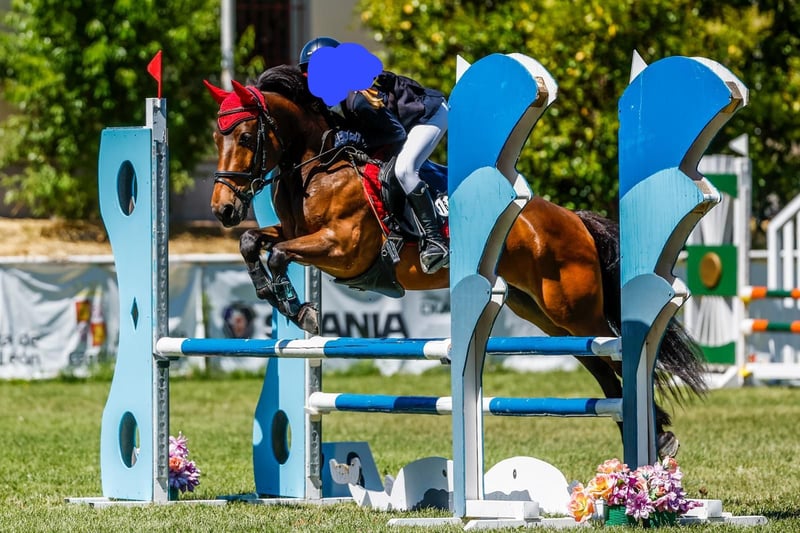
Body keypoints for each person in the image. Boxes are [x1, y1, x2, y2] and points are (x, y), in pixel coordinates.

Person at [298, 37, 449, 275]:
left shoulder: (358, 99)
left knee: (404, 169)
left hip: (429, 116)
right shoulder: (332, 100)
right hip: (400, 123)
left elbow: (395, 134)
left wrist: (353, 140)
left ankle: (435, 240)